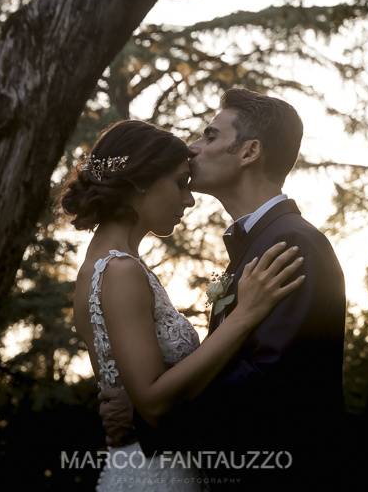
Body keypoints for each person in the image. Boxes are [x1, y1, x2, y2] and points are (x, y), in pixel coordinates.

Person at [99, 88, 347, 489]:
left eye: (210, 136)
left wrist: (153, 416)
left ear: (249, 152)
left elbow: (269, 385)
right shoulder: (252, 248)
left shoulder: (293, 244)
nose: (193, 149)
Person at [61, 119, 306, 491]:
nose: (188, 200)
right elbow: (154, 403)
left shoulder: (101, 267)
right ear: (141, 181)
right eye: (179, 183)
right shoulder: (121, 271)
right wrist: (244, 316)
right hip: (156, 474)